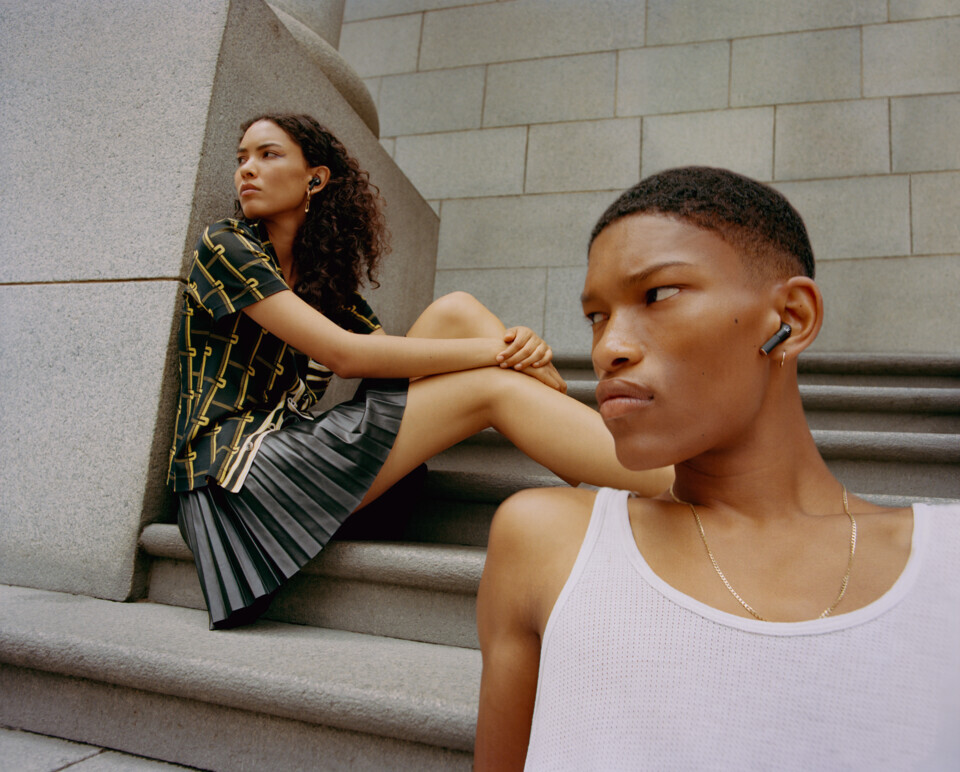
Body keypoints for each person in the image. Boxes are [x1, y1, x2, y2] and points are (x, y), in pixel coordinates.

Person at [474, 166, 960, 770]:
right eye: (596, 316)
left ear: (792, 317)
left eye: (658, 295)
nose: (607, 349)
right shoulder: (545, 542)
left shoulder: (946, 563)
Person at [166, 113, 672, 630]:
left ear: (315, 179)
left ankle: (589, 463)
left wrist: (511, 346)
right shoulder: (227, 244)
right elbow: (347, 356)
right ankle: (675, 482)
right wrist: (493, 354)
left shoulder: (321, 280)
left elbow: (397, 364)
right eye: (242, 159)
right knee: (491, 386)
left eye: (267, 154)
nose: (247, 170)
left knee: (456, 310)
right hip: (234, 479)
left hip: (295, 458)